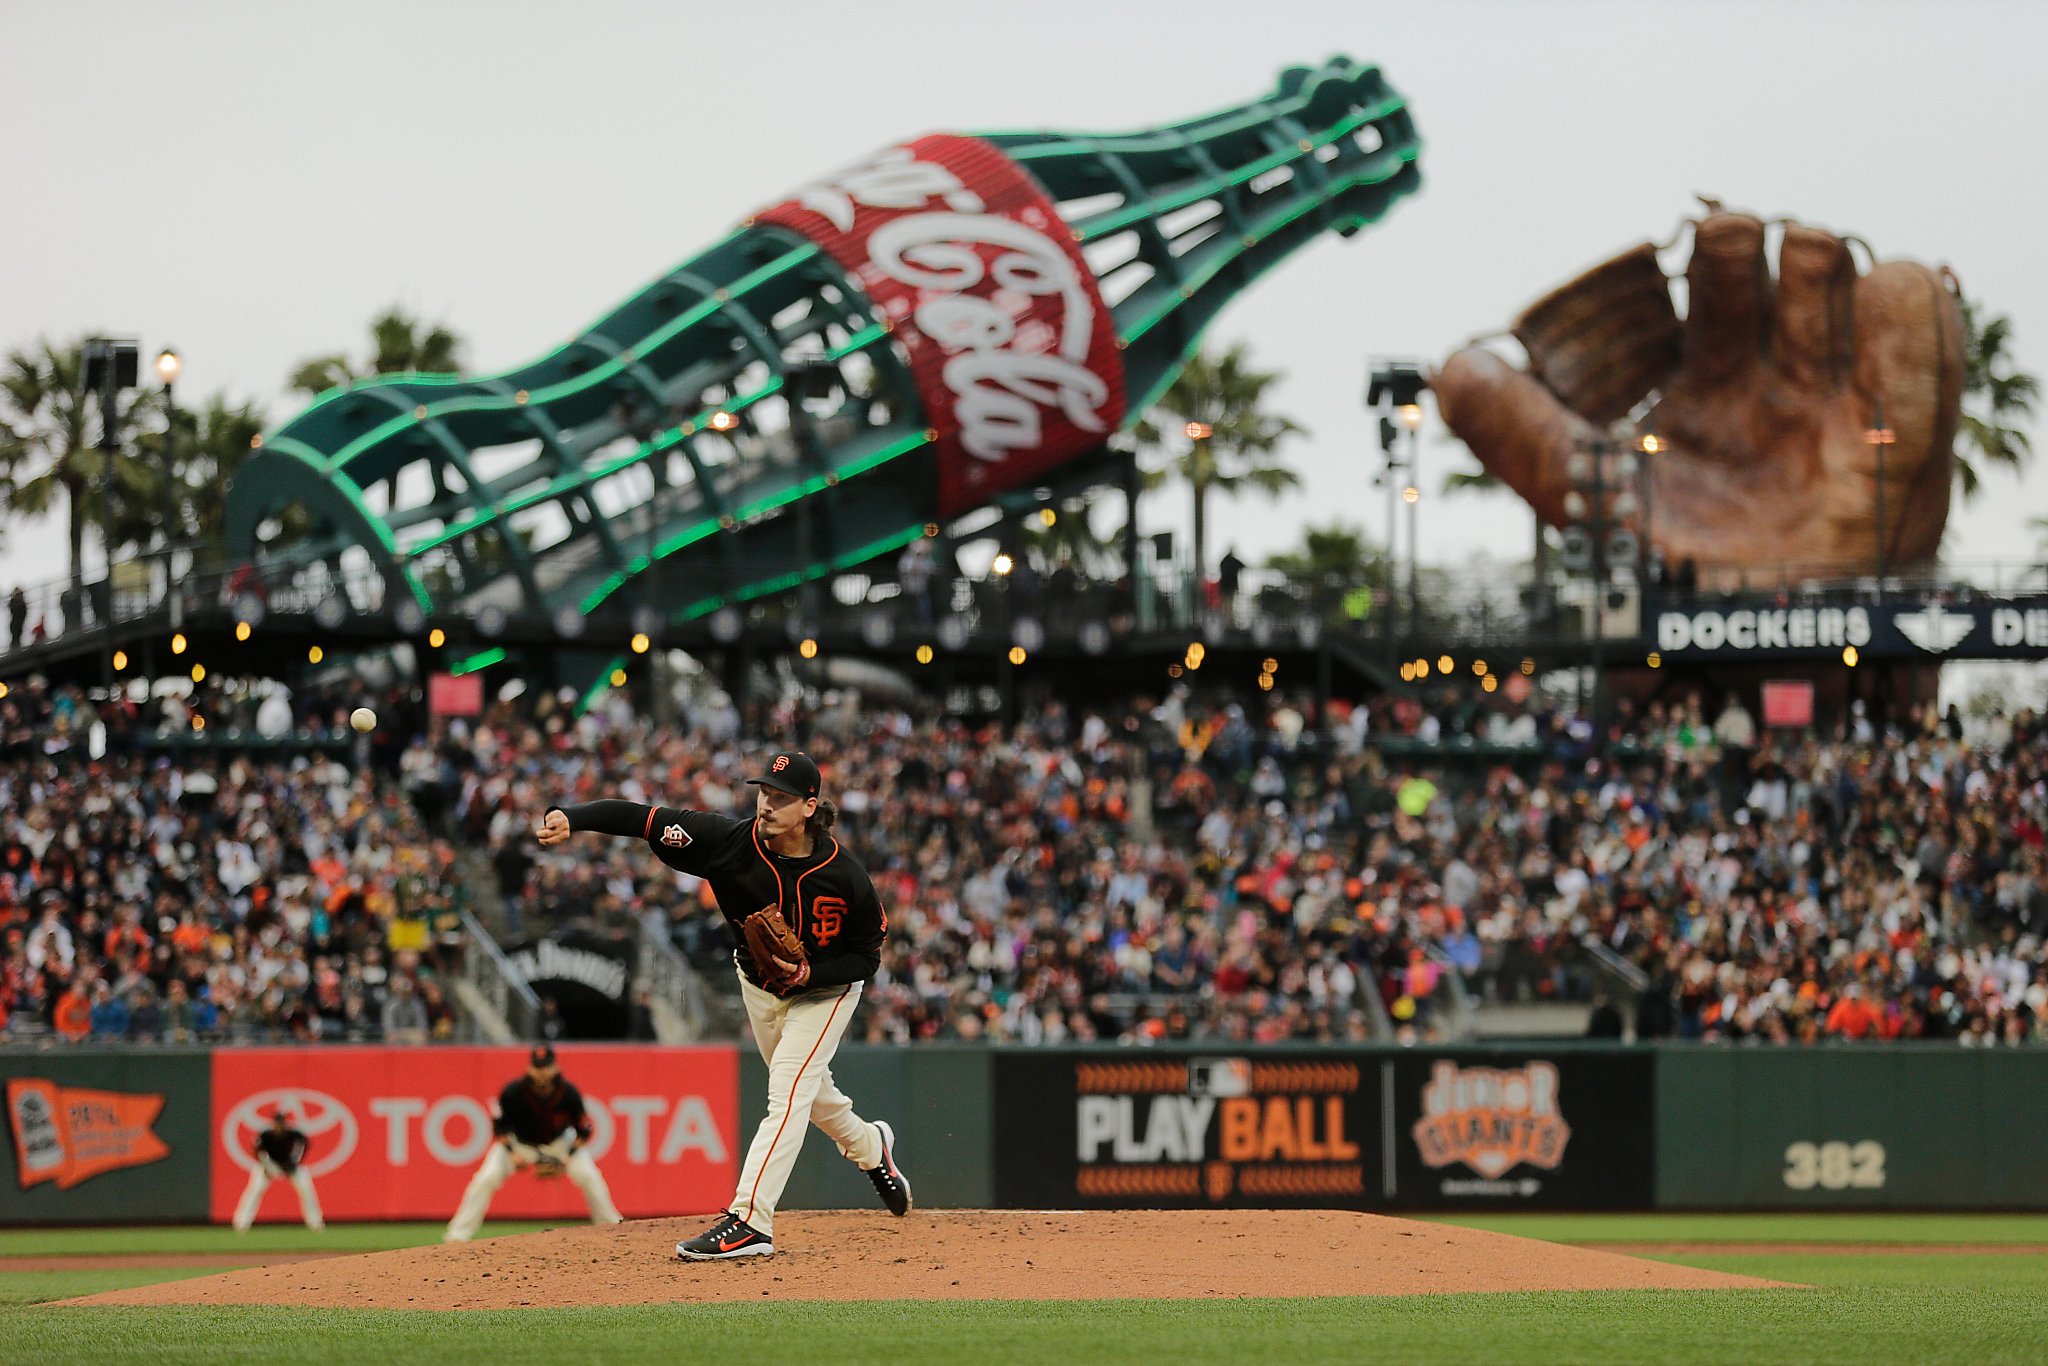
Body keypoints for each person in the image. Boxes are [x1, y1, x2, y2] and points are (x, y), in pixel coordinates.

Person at [538, 748, 911, 1261]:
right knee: (813, 1094)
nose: (766, 806)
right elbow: (643, 819)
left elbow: (868, 956)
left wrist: (811, 974)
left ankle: (749, 1221)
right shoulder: (725, 842)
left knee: (787, 1091)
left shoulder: (846, 878)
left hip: (826, 993)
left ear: (809, 807)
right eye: (763, 793)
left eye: (780, 799)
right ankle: (872, 1149)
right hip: (757, 986)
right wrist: (573, 819)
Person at [443, 1045, 622, 1242]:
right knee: (486, 1178)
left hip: (560, 1145)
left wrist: (566, 1157)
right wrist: (512, 1154)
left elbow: (584, 1131)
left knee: (589, 1176)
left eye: (546, 1067)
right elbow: (499, 1128)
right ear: (530, 1068)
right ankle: (456, 1237)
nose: (542, 1073)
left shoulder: (568, 1093)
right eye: (538, 1067)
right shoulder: (513, 1092)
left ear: (555, 1067)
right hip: (519, 1145)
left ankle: (613, 1229)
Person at [232, 1107, 325, 1232]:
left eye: (282, 1122)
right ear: (274, 1123)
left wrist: (292, 1165)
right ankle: (241, 1223)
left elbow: (302, 1148)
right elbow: (259, 1153)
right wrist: (269, 1168)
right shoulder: (266, 1136)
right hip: (268, 1166)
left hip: (291, 1166)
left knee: (307, 1190)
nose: (280, 1125)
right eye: (277, 1122)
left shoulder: (294, 1135)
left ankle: (316, 1223)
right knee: (254, 1191)